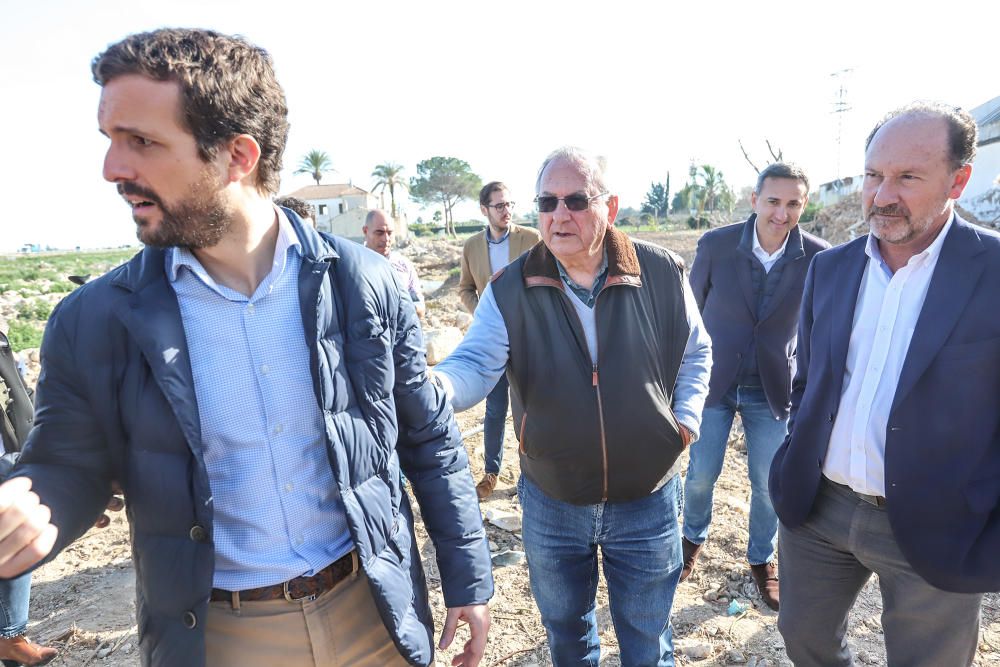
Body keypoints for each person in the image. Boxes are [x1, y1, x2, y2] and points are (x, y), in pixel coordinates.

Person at [0, 28, 492, 667]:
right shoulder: (93, 321)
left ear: (238, 155)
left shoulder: (361, 283)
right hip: (224, 640)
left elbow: (428, 440)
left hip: (374, 614)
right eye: (111, 141)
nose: (113, 169)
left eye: (141, 142)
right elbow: (66, 463)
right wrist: (34, 503)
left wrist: (469, 578)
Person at [434, 147, 711, 666]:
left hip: (647, 500)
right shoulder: (509, 288)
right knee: (566, 638)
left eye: (577, 200)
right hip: (552, 499)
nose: (559, 214)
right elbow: (473, 364)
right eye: (547, 201)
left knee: (648, 642)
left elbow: (698, 350)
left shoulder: (661, 271)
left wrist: (686, 420)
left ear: (611, 205)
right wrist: (431, 389)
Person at [770, 102, 996, 666]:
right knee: (805, 641)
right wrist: (795, 453)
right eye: (874, 175)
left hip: (939, 520)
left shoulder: (993, 274)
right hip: (820, 509)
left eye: (908, 178)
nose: (881, 195)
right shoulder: (831, 267)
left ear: (959, 180)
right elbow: (810, 381)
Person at [680, 163, 829, 610]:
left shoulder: (820, 256)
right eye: (773, 201)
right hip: (714, 382)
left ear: (803, 206)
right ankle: (691, 538)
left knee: (768, 483)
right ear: (754, 200)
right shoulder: (716, 245)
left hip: (773, 386)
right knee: (701, 474)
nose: (781, 213)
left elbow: (820, 327)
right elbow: (689, 315)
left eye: (793, 204)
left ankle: (762, 559)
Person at [456, 182, 539, 499]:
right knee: (494, 410)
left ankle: (529, 476)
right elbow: (465, 288)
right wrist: (484, 313)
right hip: (492, 340)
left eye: (510, 204)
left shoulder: (531, 239)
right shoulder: (472, 247)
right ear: (484, 210)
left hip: (528, 339)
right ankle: (490, 474)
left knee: (529, 408)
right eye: (500, 206)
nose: (507, 211)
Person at [0, 319, 57, 667]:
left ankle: (12, 637)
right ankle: (12, 637)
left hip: (10, 448)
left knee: (17, 534)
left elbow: (17, 385)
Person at [363, 209, 426, 319]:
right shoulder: (353, 265)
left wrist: (405, 308)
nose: (386, 239)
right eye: (379, 232)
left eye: (390, 233)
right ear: (365, 231)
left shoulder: (404, 265)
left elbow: (420, 308)